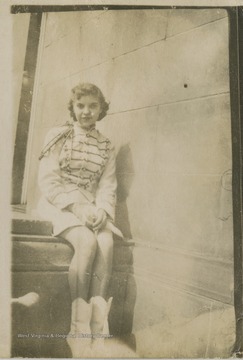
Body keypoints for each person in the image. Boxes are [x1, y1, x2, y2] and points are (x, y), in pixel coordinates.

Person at [38, 83, 120, 357]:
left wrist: (103, 212)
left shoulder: (107, 146)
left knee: (106, 244)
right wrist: (76, 207)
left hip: (92, 206)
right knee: (86, 242)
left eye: (93, 106)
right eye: (81, 106)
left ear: (101, 108)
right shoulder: (58, 136)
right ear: (72, 108)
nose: (86, 112)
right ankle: (78, 331)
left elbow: (107, 186)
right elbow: (48, 180)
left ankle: (98, 332)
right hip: (59, 202)